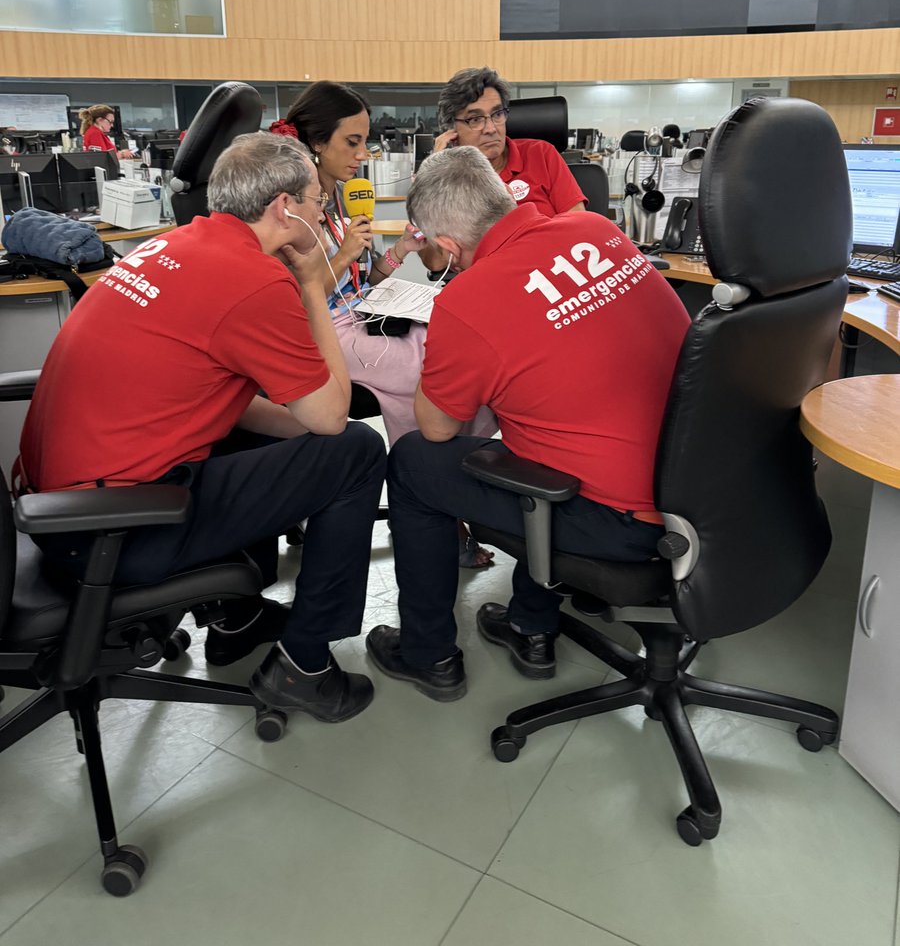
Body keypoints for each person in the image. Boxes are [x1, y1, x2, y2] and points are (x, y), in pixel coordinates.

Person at [18, 131, 386, 724]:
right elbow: (331, 416)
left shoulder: (175, 245)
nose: (325, 211)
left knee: (281, 435)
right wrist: (314, 286)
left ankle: (234, 618)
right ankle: (304, 665)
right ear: (284, 208)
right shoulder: (255, 280)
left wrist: (306, 442)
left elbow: (213, 398)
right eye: (319, 200)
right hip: (111, 530)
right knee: (360, 451)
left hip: (60, 503)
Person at [365, 147, 691, 701]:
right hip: (698, 486)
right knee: (544, 436)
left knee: (417, 462)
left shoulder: (468, 299)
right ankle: (528, 623)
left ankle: (428, 653)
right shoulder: (594, 226)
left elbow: (439, 429)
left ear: (447, 246)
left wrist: (453, 341)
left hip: (626, 521)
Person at [275, 82, 497, 569]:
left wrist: (398, 254)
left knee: (455, 346)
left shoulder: (339, 203)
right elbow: (297, 299)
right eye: (351, 142)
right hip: (322, 333)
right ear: (316, 144)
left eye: (364, 141)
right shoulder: (290, 208)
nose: (363, 154)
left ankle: (458, 488)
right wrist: (345, 254)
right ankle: (426, 499)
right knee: (422, 374)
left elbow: (360, 282)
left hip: (362, 311)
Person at [433, 67, 586, 215]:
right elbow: (433, 234)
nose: (491, 129)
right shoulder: (449, 177)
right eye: (475, 119)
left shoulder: (541, 154)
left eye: (497, 114)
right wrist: (436, 171)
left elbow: (579, 223)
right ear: (452, 130)